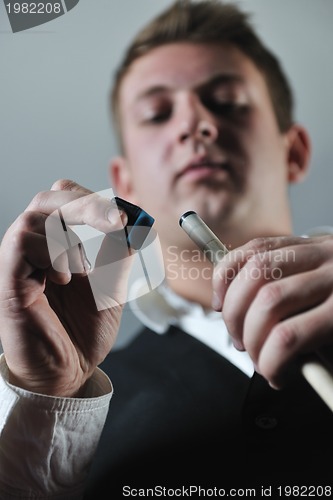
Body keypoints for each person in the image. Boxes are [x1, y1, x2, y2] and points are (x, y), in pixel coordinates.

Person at [1, 0, 333, 498]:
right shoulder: (74, 402)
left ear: (295, 152)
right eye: (157, 114)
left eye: (226, 102)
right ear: (123, 182)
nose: (194, 125)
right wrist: (49, 399)